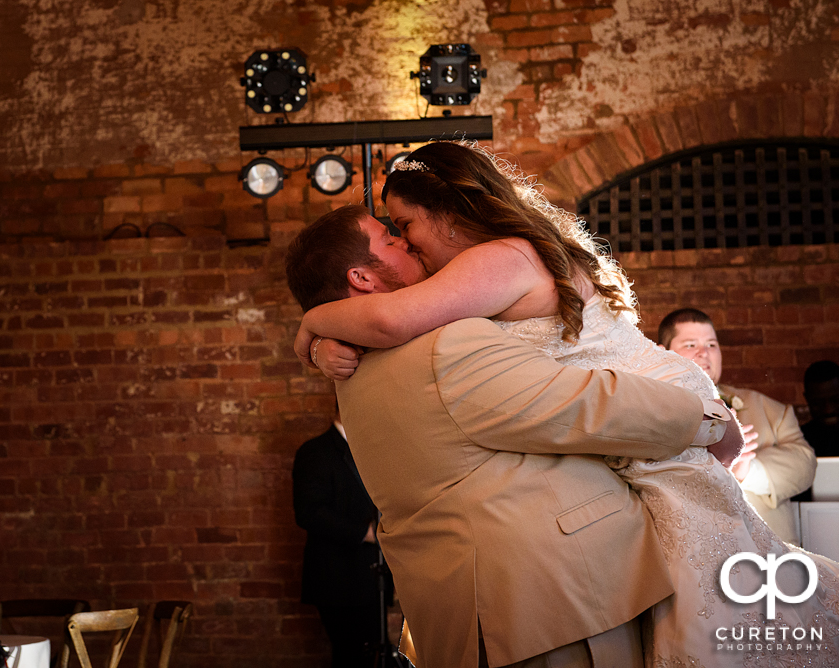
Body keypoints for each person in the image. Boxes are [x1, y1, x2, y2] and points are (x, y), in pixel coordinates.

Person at [290, 141, 839, 666]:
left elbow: (392, 320)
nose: (406, 243)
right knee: (698, 580)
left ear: (450, 213)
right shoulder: (437, 340)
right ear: (360, 277)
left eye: (404, 226)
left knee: (704, 568)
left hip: (645, 390)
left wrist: (313, 327)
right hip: (545, 598)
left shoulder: (374, 356)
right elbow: (581, 406)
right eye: (394, 237)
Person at [657, 308, 816, 543]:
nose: (704, 353)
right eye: (690, 345)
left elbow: (805, 463)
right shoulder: (651, 415)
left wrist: (748, 472)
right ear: (664, 354)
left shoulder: (770, 410)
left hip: (770, 562)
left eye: (712, 344)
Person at [292, 408, 390, 667]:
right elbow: (308, 512)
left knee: (373, 656)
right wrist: (365, 533)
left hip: (373, 577)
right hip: (336, 578)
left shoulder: (374, 450)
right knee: (351, 657)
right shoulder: (314, 451)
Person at [802, 360, 839, 457]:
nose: (828, 410)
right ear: (807, 399)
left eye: (835, 400)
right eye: (817, 403)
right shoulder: (799, 440)